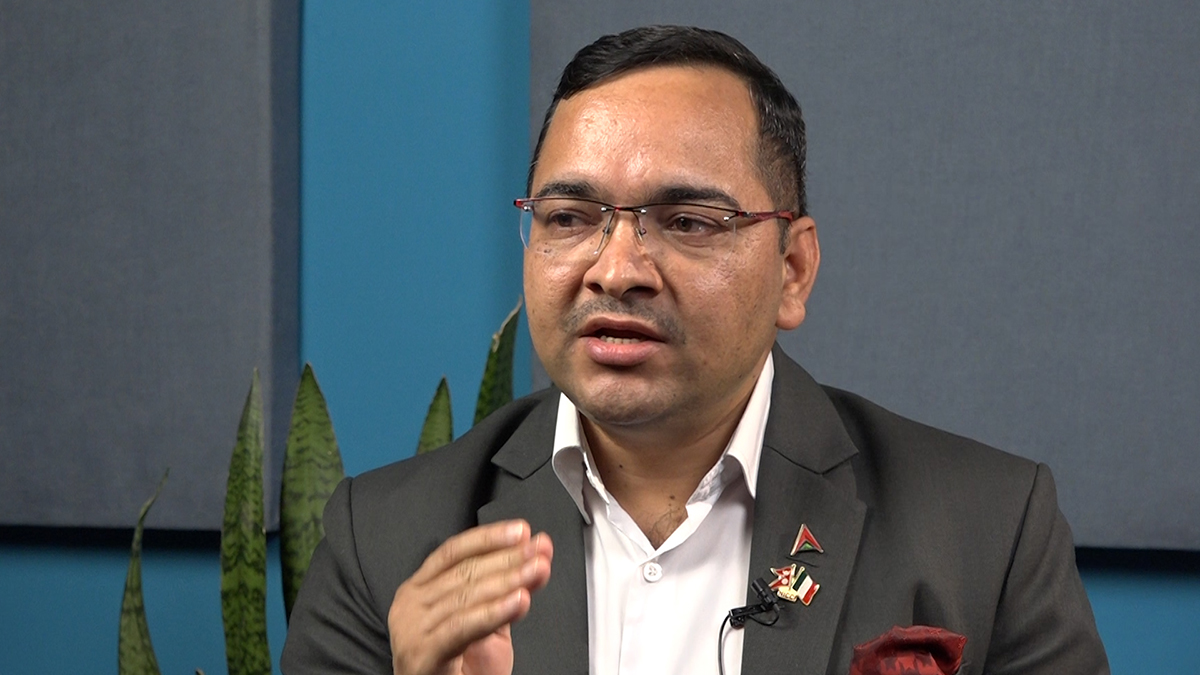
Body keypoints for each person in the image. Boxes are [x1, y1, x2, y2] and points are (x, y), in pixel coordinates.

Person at [281, 25, 1110, 675]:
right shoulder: (384, 543)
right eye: (569, 218)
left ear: (793, 270)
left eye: (686, 221)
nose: (616, 270)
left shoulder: (988, 530)